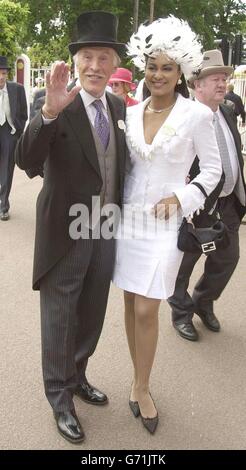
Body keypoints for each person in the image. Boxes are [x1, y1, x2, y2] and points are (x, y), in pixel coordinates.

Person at [15, 11, 127, 444]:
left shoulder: (118, 106)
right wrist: (47, 112)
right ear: (75, 62)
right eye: (87, 56)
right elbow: (25, 161)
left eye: (103, 56)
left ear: (112, 62)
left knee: (91, 315)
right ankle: (60, 398)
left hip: (105, 232)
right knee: (60, 320)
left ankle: (78, 374)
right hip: (65, 235)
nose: (95, 66)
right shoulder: (55, 99)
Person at [112, 17, 222, 434]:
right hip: (128, 223)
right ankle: (137, 378)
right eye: (152, 66)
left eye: (167, 68)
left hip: (166, 224)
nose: (158, 75)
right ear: (144, 67)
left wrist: (181, 197)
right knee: (128, 302)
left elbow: (212, 171)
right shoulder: (132, 110)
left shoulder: (197, 115)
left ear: (181, 72)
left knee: (146, 306)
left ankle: (142, 387)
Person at [168, 50, 246, 341]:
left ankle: (203, 301)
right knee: (183, 266)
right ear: (196, 85)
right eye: (215, 78)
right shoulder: (184, 118)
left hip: (228, 205)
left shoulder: (226, 110)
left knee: (227, 260)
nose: (222, 82)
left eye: (224, 77)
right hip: (197, 207)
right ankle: (181, 313)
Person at [0, 56, 27, 220]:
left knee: (7, 171)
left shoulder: (17, 89)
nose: (1, 76)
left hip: (9, 133)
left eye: (3, 73)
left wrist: (18, 131)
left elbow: (24, 113)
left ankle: (3, 206)